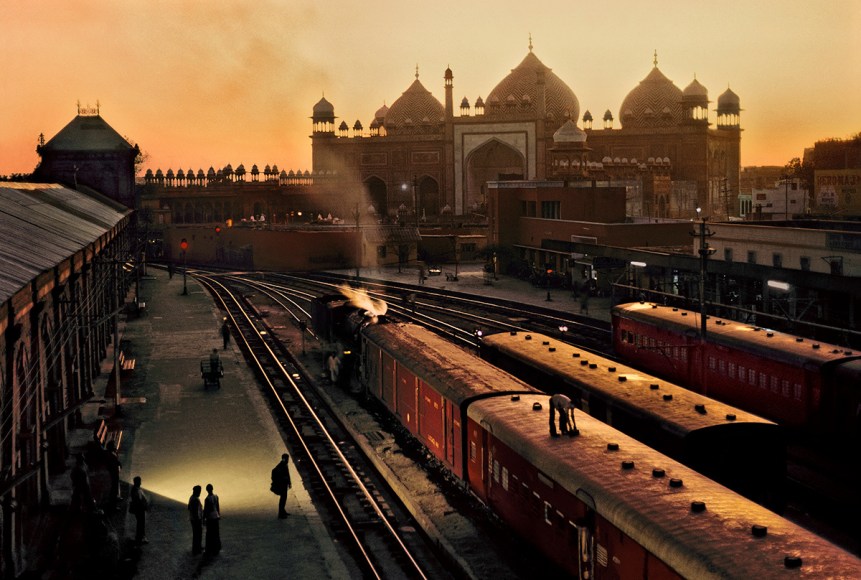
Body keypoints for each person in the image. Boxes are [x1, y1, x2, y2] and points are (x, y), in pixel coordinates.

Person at [270, 454, 292, 519]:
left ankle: (283, 511)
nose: (288, 460)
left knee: (284, 499)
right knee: (283, 499)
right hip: (282, 485)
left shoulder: (284, 464)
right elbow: (279, 474)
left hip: (284, 485)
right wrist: (284, 479)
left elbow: (287, 474)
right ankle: (280, 514)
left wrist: (289, 482)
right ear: (284, 459)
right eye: (287, 459)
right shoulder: (281, 466)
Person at [128, 476, 149, 545]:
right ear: (137, 482)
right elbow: (139, 501)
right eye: (139, 481)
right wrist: (144, 506)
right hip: (139, 510)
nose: (141, 483)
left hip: (139, 509)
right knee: (141, 523)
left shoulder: (135, 489)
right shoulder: (136, 490)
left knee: (140, 523)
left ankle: (140, 537)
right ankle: (140, 538)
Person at [203, 483, 221, 556]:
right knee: (216, 532)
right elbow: (217, 506)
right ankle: (217, 547)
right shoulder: (216, 496)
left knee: (209, 533)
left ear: (207, 490)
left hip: (210, 518)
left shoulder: (207, 499)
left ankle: (209, 548)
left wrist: (204, 518)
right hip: (216, 516)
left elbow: (206, 510)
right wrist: (218, 514)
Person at [104, 441, 122, 507]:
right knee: (114, 488)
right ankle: (113, 505)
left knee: (115, 487)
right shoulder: (111, 455)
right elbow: (115, 463)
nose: (115, 446)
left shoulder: (111, 454)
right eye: (114, 446)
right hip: (114, 473)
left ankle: (115, 498)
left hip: (114, 473)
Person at [188, 485, 203, 555]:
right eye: (199, 491)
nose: (200, 493)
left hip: (193, 519)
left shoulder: (191, 498)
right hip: (196, 519)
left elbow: (188, 507)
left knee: (196, 534)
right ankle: (197, 549)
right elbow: (196, 512)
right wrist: (199, 519)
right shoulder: (195, 499)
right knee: (198, 534)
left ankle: (197, 548)